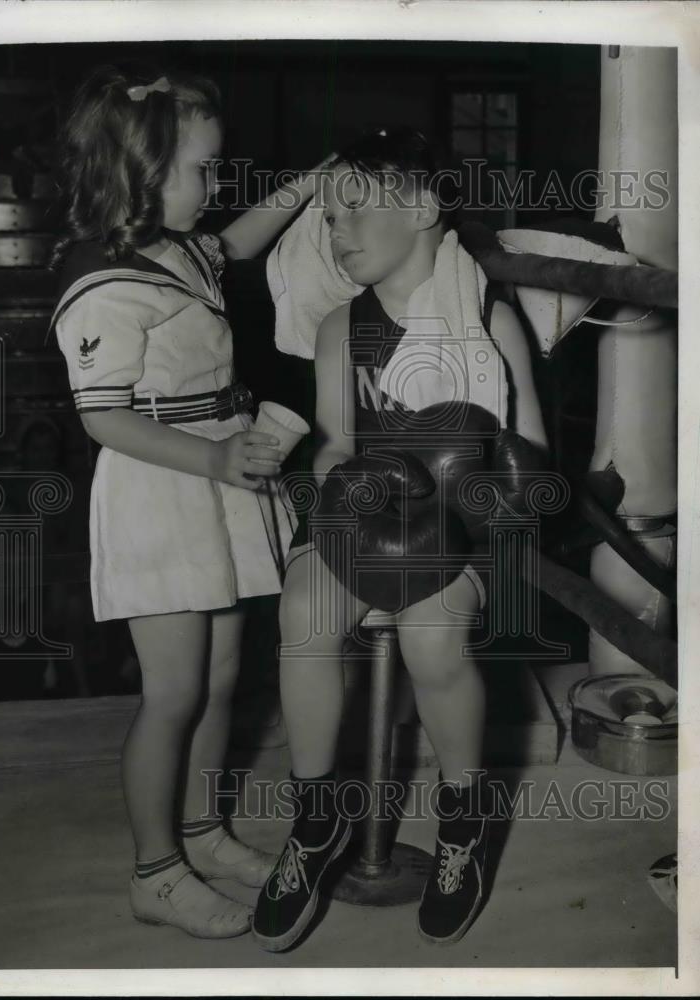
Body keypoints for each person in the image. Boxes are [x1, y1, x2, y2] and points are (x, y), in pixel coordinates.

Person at [252, 127, 549, 951]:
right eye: (326, 219)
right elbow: (337, 442)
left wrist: (493, 482)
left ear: (421, 207)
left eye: (352, 212)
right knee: (305, 611)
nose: (334, 233)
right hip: (370, 519)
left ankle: (462, 821)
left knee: (430, 633)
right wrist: (346, 482)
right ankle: (316, 823)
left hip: (461, 530)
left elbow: (533, 450)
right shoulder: (339, 328)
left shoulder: (487, 318)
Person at [51, 62, 326, 939]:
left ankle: (203, 833)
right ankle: (154, 871)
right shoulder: (102, 277)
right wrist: (212, 464)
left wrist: (312, 184)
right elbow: (104, 421)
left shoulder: (179, 246)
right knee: (171, 693)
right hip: (160, 485)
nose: (216, 185)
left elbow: (238, 241)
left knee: (218, 679)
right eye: (204, 170)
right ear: (141, 174)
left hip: (217, 472)